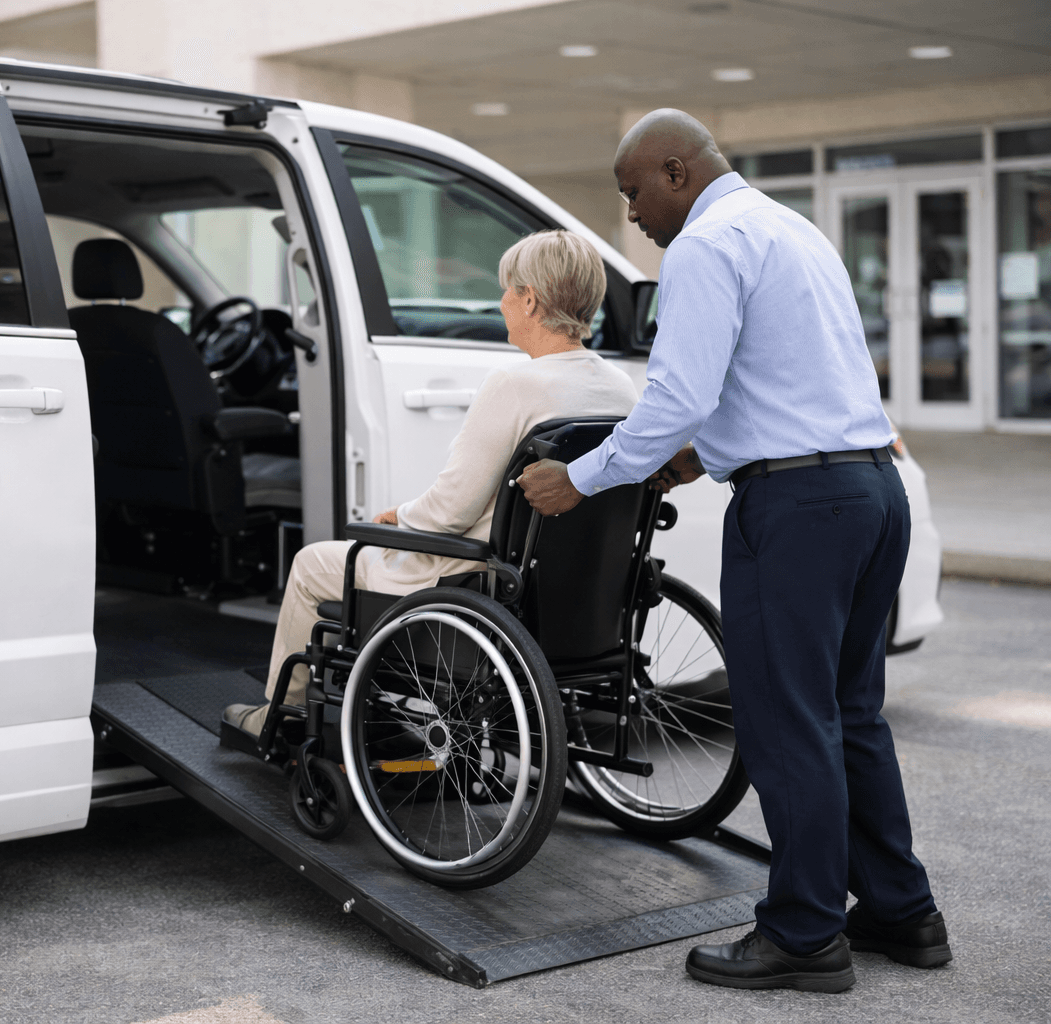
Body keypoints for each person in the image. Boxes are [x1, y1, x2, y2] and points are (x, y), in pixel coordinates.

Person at [518, 109, 948, 993]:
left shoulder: (707, 247)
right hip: (871, 490)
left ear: (677, 170)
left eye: (633, 189)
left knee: (788, 721)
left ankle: (803, 935)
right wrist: (697, 457)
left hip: (797, 510)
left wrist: (585, 476)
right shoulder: (793, 229)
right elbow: (782, 378)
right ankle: (904, 914)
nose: (629, 212)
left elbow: (677, 394)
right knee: (850, 714)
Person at [223, 229, 637, 737]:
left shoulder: (514, 385)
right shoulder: (619, 387)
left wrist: (401, 516)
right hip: (577, 593)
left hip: (475, 582)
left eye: (508, 290)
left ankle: (279, 716)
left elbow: (451, 512)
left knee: (313, 563)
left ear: (530, 300)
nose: (502, 302)